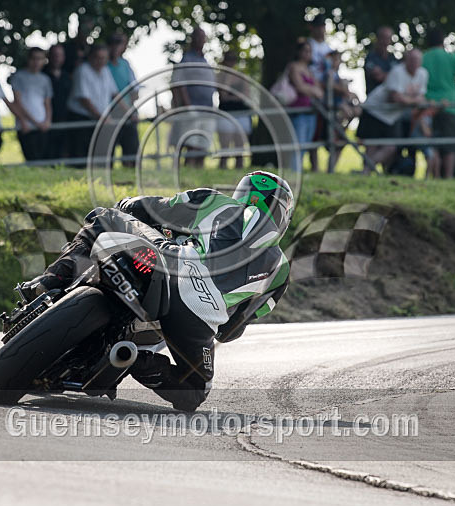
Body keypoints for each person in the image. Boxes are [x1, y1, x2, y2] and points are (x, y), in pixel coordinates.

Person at [18, 171, 293, 411]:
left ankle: (50, 281)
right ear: (283, 216)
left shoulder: (216, 202)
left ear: (241, 193)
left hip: (171, 266)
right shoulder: (280, 271)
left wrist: (130, 207)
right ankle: (136, 361)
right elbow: (230, 331)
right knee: (194, 392)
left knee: (103, 217)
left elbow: (145, 207)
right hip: (200, 316)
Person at [360, 49, 429, 175]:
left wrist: (408, 100)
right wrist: (413, 101)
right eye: (412, 60)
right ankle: (366, 173)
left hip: (392, 116)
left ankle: (366, 170)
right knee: (371, 146)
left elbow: (421, 98)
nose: (414, 63)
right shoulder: (397, 72)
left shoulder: (423, 74)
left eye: (417, 60)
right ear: (406, 60)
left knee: (391, 147)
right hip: (375, 111)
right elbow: (395, 98)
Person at [422, 29, 455, 179]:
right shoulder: (451, 57)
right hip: (449, 106)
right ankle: (449, 176)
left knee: (433, 144)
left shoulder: (424, 58)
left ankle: (435, 176)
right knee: (449, 145)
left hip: (428, 106)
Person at [170, 27, 217, 168]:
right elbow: (179, 84)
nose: (201, 40)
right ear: (193, 39)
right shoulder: (186, 59)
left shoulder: (205, 61)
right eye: (199, 37)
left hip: (207, 108)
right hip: (192, 108)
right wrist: (187, 105)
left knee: (203, 144)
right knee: (191, 143)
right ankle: (187, 170)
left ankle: (199, 171)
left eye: (203, 38)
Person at [66, 44, 120, 164]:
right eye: (98, 57)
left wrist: (129, 111)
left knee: (104, 154)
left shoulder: (106, 71)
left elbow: (115, 94)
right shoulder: (82, 71)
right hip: (82, 119)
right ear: (90, 57)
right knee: (82, 157)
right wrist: (101, 117)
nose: (101, 61)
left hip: (102, 119)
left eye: (104, 58)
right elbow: (84, 99)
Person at [9, 47, 53, 162]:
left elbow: (47, 103)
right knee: (32, 158)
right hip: (26, 126)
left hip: (42, 125)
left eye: (39, 59)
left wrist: (47, 120)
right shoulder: (19, 77)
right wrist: (34, 122)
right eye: (34, 59)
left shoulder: (45, 79)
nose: (36, 62)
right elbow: (18, 102)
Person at [287, 39, 323, 172]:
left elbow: (319, 90)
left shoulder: (309, 70)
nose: (308, 54)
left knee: (306, 144)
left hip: (310, 112)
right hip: (298, 111)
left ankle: (298, 171)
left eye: (310, 51)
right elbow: (300, 87)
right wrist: (312, 90)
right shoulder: (294, 67)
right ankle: (294, 171)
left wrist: (311, 89)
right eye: (305, 51)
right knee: (298, 144)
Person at [107, 32, 140, 167]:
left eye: (119, 43)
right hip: (110, 114)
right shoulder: (104, 66)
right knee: (109, 150)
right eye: (113, 43)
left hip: (127, 114)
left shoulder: (125, 64)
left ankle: (130, 173)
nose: (115, 47)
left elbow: (134, 90)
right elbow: (112, 93)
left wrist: (131, 109)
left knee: (131, 148)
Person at [306, 15, 333, 175]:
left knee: (325, 130)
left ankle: (326, 166)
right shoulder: (309, 45)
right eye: (319, 26)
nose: (321, 29)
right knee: (313, 132)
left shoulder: (328, 48)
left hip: (326, 92)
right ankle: (314, 165)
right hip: (313, 92)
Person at [216, 50, 251, 169]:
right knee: (224, 148)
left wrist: (231, 97)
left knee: (240, 149)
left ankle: (239, 171)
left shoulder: (241, 76)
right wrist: (228, 78)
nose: (231, 62)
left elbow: (246, 95)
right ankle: (222, 168)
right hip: (225, 114)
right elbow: (223, 96)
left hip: (241, 114)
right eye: (228, 59)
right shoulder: (220, 76)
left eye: (233, 59)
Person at [42, 44, 72, 160]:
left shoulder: (67, 76)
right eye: (54, 55)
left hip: (64, 120)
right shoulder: (42, 74)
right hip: (45, 121)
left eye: (59, 55)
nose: (57, 58)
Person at [363, 26, 398, 95]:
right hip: (374, 101)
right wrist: (393, 76)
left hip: (391, 100)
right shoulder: (371, 58)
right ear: (378, 38)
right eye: (383, 38)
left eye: (388, 38)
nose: (385, 41)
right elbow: (378, 77)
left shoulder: (392, 58)